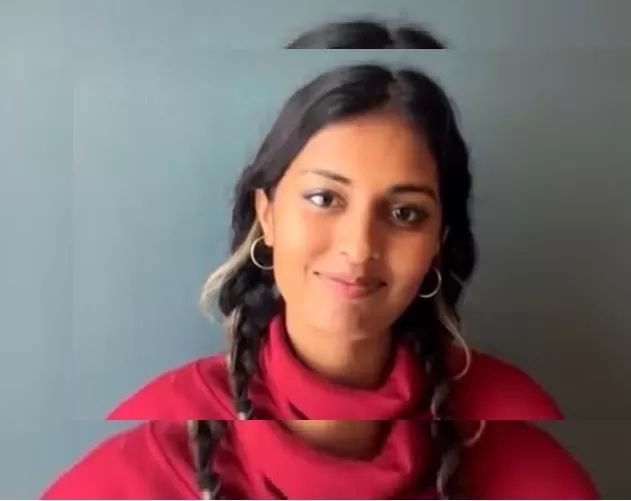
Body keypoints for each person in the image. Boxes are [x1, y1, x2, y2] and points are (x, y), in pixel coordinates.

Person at [41, 20, 598, 500]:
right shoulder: (144, 472)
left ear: (438, 242)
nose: (359, 247)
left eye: (405, 213)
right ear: (267, 215)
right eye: (324, 198)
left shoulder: (523, 469)